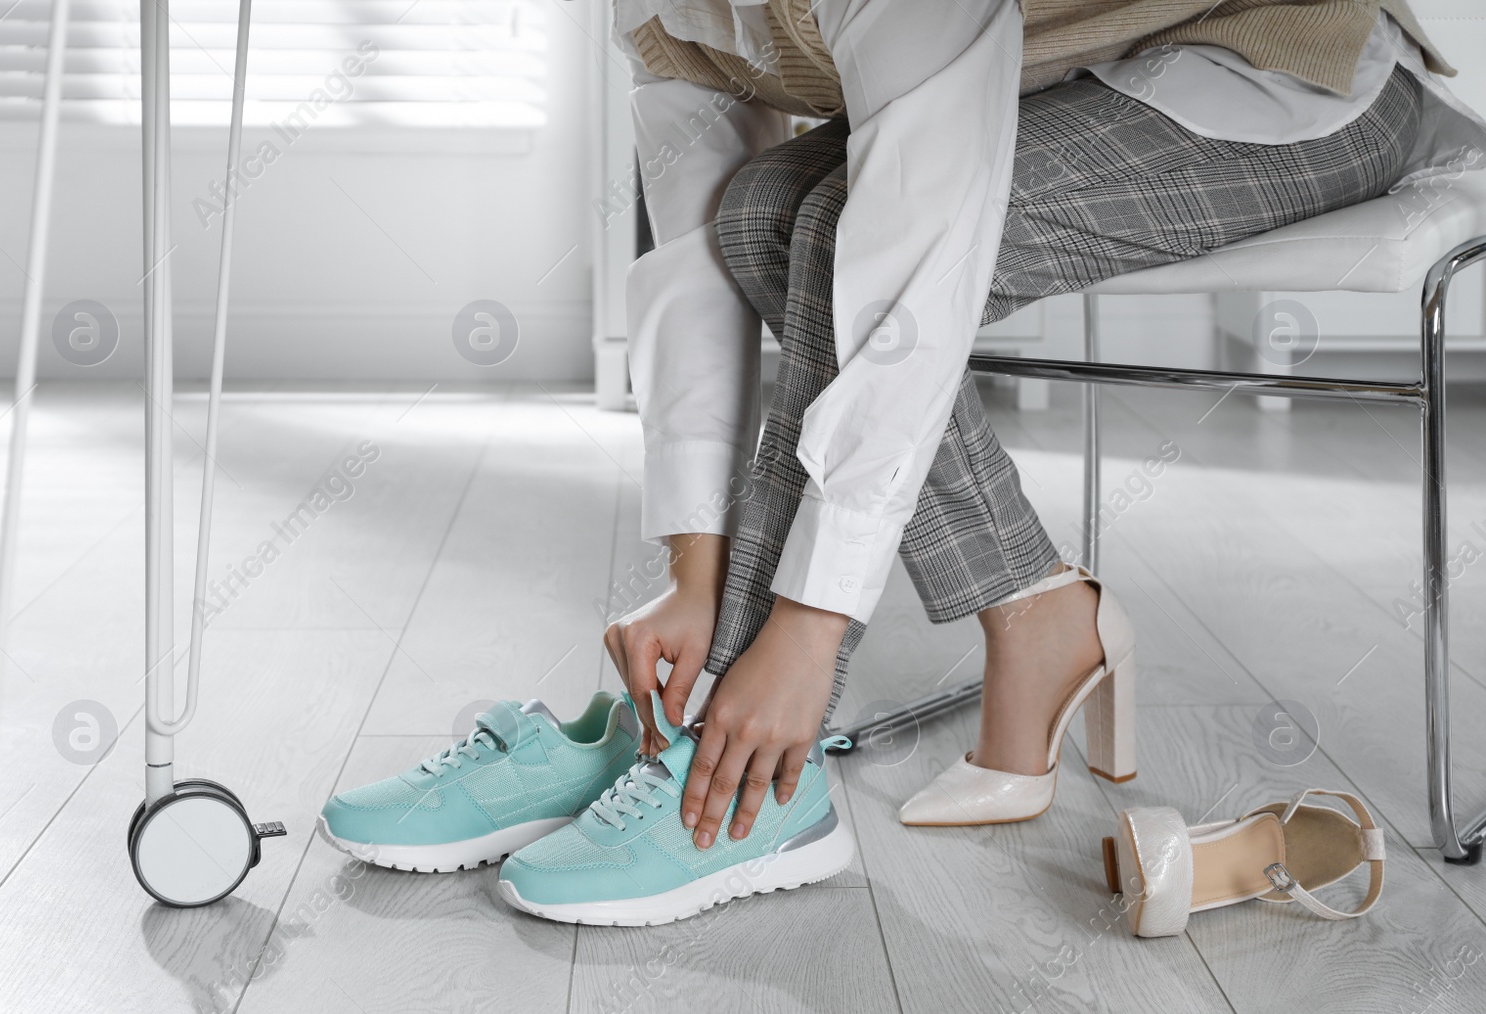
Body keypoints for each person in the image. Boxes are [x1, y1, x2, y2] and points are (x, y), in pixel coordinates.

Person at [321, 1, 1486, 926]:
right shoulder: (656, 12)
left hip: (1291, 72)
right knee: (747, 220)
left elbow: (906, 261)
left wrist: (808, 628)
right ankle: (1023, 610)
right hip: (1077, 78)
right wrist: (690, 561)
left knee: (829, 235)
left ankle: (742, 775)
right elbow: (689, 260)